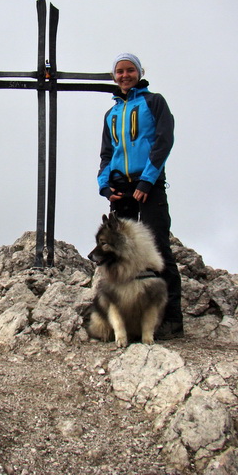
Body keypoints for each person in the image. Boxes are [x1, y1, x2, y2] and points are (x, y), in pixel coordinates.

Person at [97, 52, 183, 339]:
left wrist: (147, 181)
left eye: (129, 70)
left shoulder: (154, 102)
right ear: (114, 76)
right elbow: (107, 154)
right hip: (121, 189)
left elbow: (164, 140)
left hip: (149, 186)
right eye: (119, 71)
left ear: (139, 72)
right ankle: (127, 320)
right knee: (120, 256)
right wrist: (105, 187)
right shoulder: (111, 114)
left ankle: (170, 321)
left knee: (158, 250)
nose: (124, 75)